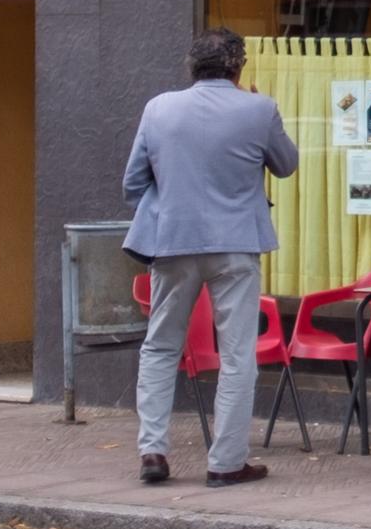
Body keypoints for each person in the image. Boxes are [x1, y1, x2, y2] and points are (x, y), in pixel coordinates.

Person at [123, 27, 300, 489]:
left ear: (191, 66)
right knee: (238, 355)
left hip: (173, 243)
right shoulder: (259, 109)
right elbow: (286, 165)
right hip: (235, 244)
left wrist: (170, 202)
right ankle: (226, 462)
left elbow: (132, 183)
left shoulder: (158, 108)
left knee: (160, 346)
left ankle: (153, 451)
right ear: (238, 67)